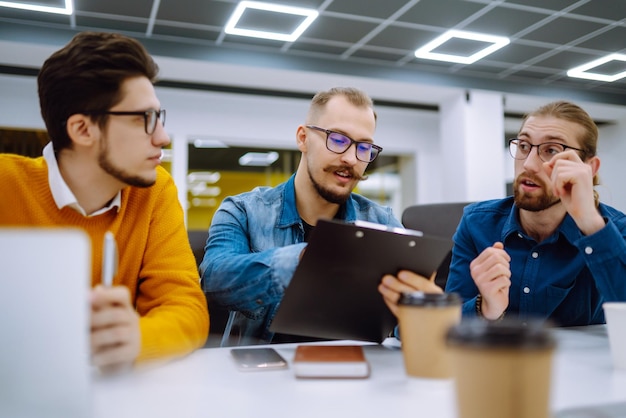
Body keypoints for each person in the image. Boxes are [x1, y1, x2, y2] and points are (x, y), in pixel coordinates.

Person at [0, 32, 209, 371]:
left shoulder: (155, 190)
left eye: (160, 117)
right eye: (145, 119)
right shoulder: (5, 184)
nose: (163, 137)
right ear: (83, 130)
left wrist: (137, 338)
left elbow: (187, 308)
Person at [200, 87, 436, 345]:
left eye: (364, 147)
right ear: (303, 138)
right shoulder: (242, 210)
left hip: (358, 374)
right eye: (337, 139)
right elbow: (214, 281)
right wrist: (301, 260)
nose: (350, 158)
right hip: (263, 375)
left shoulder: (381, 223)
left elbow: (409, 331)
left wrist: (423, 307)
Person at [445, 100, 626, 325]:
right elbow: (441, 324)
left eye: (551, 150)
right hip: (496, 359)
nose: (529, 164)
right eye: (523, 146)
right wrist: (486, 309)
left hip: (581, 360)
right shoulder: (477, 223)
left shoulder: (615, 230)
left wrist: (589, 221)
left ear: (589, 168)